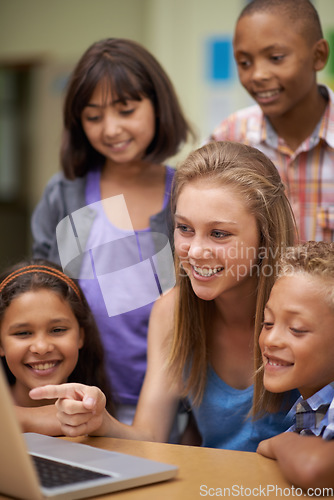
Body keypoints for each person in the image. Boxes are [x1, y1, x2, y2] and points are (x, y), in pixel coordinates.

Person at [30, 141, 298, 451]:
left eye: (219, 233)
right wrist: (101, 421)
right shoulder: (172, 311)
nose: (195, 251)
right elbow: (151, 436)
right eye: (184, 228)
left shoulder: (307, 309)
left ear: (265, 235)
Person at [30, 38, 193, 425]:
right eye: (94, 116)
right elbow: (46, 293)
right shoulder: (68, 194)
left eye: (126, 109)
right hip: (81, 398)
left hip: (174, 403)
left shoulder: (185, 195)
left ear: (157, 104)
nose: (112, 128)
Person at [209, 0, 334, 243]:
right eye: (244, 63)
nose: (257, 75)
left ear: (318, 55)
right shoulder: (230, 136)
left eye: (275, 58)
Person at [0, 259, 114, 436]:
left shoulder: (93, 411)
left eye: (58, 330)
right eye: (23, 333)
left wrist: (103, 422)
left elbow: (149, 442)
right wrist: (31, 419)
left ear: (80, 336)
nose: (42, 347)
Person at [255, 241, 334, 489]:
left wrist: (278, 443)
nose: (271, 339)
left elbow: (313, 467)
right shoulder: (309, 408)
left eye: (296, 329)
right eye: (268, 323)